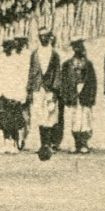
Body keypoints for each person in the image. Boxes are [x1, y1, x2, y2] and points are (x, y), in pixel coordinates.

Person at [0, 36, 31, 153]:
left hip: (14, 94)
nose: (7, 49)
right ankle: (5, 141)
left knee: (14, 119)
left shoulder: (17, 59)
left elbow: (21, 78)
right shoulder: (0, 59)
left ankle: (14, 142)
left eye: (10, 46)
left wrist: (20, 94)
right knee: (3, 119)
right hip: (2, 93)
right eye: (5, 47)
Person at [58, 38, 98, 154]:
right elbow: (64, 82)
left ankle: (84, 143)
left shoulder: (88, 64)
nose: (77, 49)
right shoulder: (67, 64)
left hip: (84, 93)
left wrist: (91, 96)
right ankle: (76, 143)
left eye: (79, 46)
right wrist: (65, 96)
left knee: (85, 118)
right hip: (73, 94)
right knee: (74, 118)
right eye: (75, 47)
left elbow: (92, 82)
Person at [27, 27, 62, 159]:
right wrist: (29, 89)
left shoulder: (54, 54)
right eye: (41, 36)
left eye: (46, 36)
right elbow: (31, 72)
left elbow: (57, 73)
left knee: (50, 115)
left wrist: (54, 89)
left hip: (49, 88)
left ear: (50, 37)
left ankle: (49, 144)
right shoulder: (35, 54)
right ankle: (43, 144)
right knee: (40, 115)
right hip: (38, 88)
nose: (44, 38)